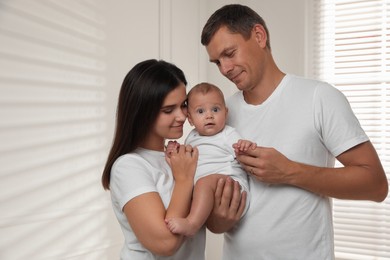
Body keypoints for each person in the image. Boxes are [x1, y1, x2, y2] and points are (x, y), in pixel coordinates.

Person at [201, 4, 388, 259]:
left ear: (259, 36)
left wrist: (289, 171)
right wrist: (218, 219)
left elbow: (375, 185)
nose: (225, 68)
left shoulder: (319, 98)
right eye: (217, 62)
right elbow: (215, 220)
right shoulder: (221, 114)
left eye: (230, 53)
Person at [101, 59, 206, 260]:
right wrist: (184, 181)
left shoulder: (181, 158)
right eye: (168, 110)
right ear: (142, 112)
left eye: (183, 105)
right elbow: (165, 244)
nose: (182, 116)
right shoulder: (128, 167)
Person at [165, 82, 255, 237]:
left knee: (203, 183)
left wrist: (244, 146)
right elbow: (186, 160)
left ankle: (192, 224)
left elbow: (243, 153)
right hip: (207, 193)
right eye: (200, 111)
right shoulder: (192, 137)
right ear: (191, 119)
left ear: (225, 113)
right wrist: (175, 152)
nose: (209, 115)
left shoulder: (228, 134)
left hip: (232, 187)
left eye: (215, 109)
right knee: (193, 187)